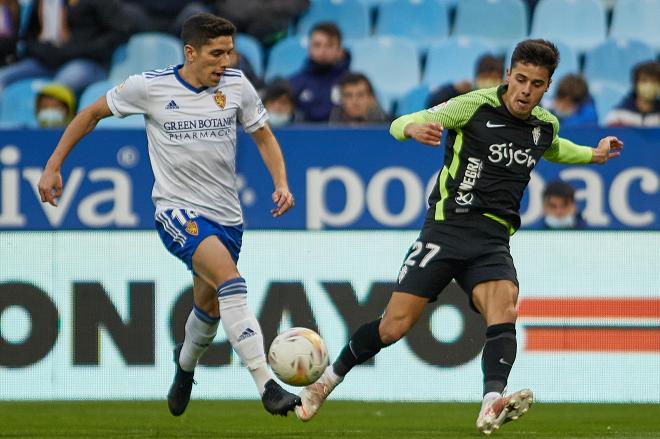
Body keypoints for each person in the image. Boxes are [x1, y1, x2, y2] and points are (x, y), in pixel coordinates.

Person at [294, 39, 623, 435]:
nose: (525, 90)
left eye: (536, 84)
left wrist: (594, 154)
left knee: (505, 308)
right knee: (393, 327)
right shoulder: (473, 105)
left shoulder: (543, 125)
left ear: (546, 87)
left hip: (493, 238)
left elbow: (554, 148)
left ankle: (490, 403)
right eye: (520, 79)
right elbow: (400, 123)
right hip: (447, 228)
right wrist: (413, 126)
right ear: (508, 75)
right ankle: (325, 381)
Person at [37, 13, 300, 418]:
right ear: (190, 52)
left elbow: (263, 136)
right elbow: (90, 114)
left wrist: (281, 182)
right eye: (217, 53)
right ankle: (266, 384)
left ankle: (183, 368)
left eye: (230, 52)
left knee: (210, 307)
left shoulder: (236, 85)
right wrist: (54, 166)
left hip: (227, 217)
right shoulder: (149, 86)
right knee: (231, 280)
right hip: (177, 212)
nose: (226, 61)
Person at [0, 0, 131, 94]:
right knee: (2, 77)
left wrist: (80, 49)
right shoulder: (41, 2)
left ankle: (54, 130)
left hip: (86, 62)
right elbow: (29, 36)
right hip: (45, 62)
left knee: (61, 85)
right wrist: (45, 51)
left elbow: (121, 30)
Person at [288, 22, 350, 122]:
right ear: (309, 49)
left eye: (329, 45)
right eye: (317, 45)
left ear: (340, 50)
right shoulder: (293, 84)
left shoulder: (353, 84)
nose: (323, 50)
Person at [427, 54, 504, 107]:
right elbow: (432, 104)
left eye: (494, 79)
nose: (489, 83)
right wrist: (453, 89)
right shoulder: (465, 94)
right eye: (485, 78)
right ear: (477, 77)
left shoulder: (505, 97)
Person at [605, 60, 660, 127]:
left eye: (654, 81)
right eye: (644, 80)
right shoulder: (618, 115)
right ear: (635, 84)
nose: (649, 85)